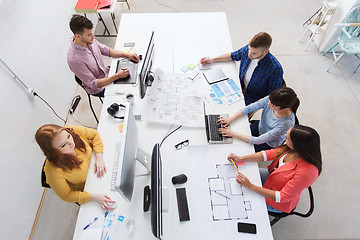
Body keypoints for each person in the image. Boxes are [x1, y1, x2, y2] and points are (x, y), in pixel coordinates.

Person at [227, 125, 322, 213]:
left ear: (297, 145)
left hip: (277, 201)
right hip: (272, 178)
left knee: (239, 203)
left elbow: (282, 197)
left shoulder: (308, 172)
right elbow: (268, 154)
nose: (284, 136)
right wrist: (241, 158)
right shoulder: (291, 148)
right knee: (237, 176)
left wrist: (251, 186)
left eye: (287, 137)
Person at [35, 124, 115, 210]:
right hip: (91, 189)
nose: (71, 143)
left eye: (68, 136)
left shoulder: (72, 130)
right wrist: (94, 197)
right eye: (63, 145)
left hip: (104, 168)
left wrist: (99, 156)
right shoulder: (53, 172)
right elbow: (67, 195)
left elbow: (94, 134)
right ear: (53, 152)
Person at [201, 32, 283, 105]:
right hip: (239, 87)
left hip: (253, 99)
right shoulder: (249, 50)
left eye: (254, 53)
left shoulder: (275, 68)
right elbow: (232, 55)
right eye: (249, 50)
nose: (249, 55)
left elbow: (271, 96)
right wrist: (212, 60)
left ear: (266, 51)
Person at [67, 14, 140, 97]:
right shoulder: (74, 60)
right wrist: (117, 76)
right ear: (78, 36)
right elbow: (93, 84)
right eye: (89, 35)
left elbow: (106, 50)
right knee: (129, 92)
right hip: (99, 88)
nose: (93, 37)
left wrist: (127, 55)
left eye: (92, 33)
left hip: (106, 72)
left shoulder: (89, 40)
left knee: (135, 73)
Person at [218, 87, 299, 152]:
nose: (268, 104)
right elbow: (251, 107)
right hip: (260, 127)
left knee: (240, 149)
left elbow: (259, 140)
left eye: (272, 105)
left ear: (283, 108)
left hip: (267, 143)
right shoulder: (273, 99)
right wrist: (230, 119)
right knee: (234, 137)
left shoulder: (286, 124)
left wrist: (233, 134)